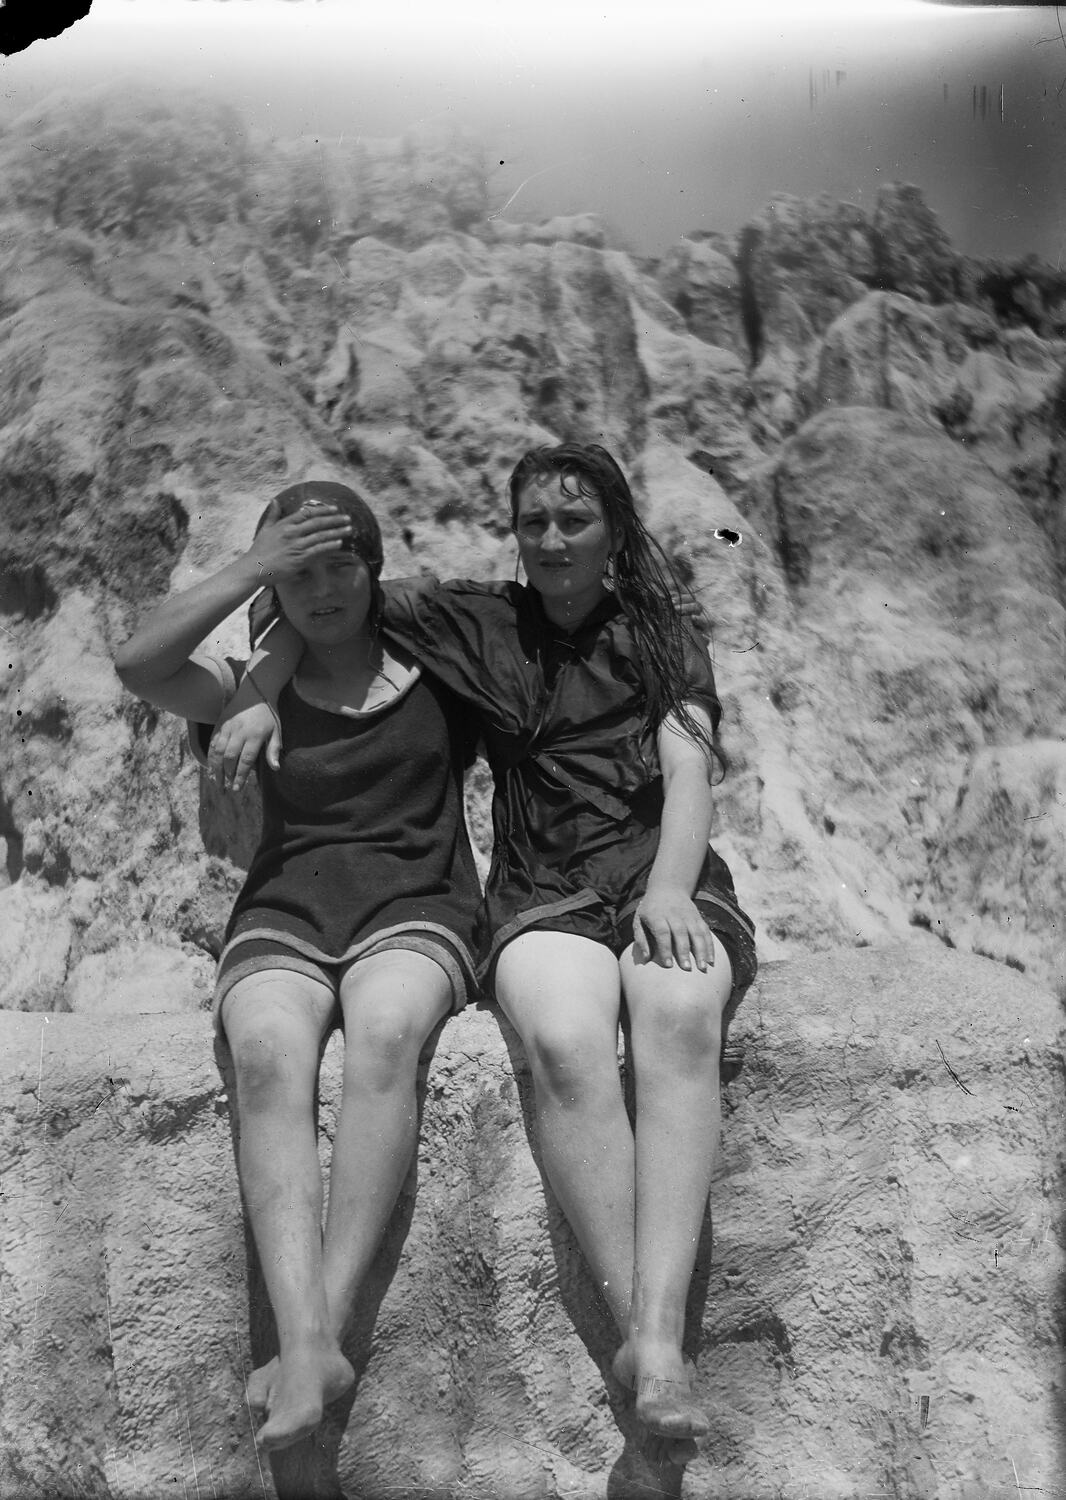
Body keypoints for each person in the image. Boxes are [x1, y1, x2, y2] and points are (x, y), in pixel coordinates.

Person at [213, 444, 757, 1454]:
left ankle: (659, 1334)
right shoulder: (478, 620)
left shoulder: (660, 633)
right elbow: (326, 604)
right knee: (562, 1041)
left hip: (661, 879)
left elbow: (688, 770)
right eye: (533, 522)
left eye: (574, 520)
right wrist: (259, 690)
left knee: (680, 1013)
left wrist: (670, 888)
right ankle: (645, 1338)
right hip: (544, 891)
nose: (552, 540)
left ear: (613, 531)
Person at [113, 480, 481, 1453]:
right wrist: (252, 571)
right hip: (285, 907)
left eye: (338, 566)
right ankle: (309, 1340)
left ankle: (317, 1331)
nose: (321, 591)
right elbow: (139, 664)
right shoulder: (244, 684)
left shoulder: (437, 660)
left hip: (419, 900)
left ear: (373, 569)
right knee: (267, 1054)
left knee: (388, 1032)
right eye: (298, 572)